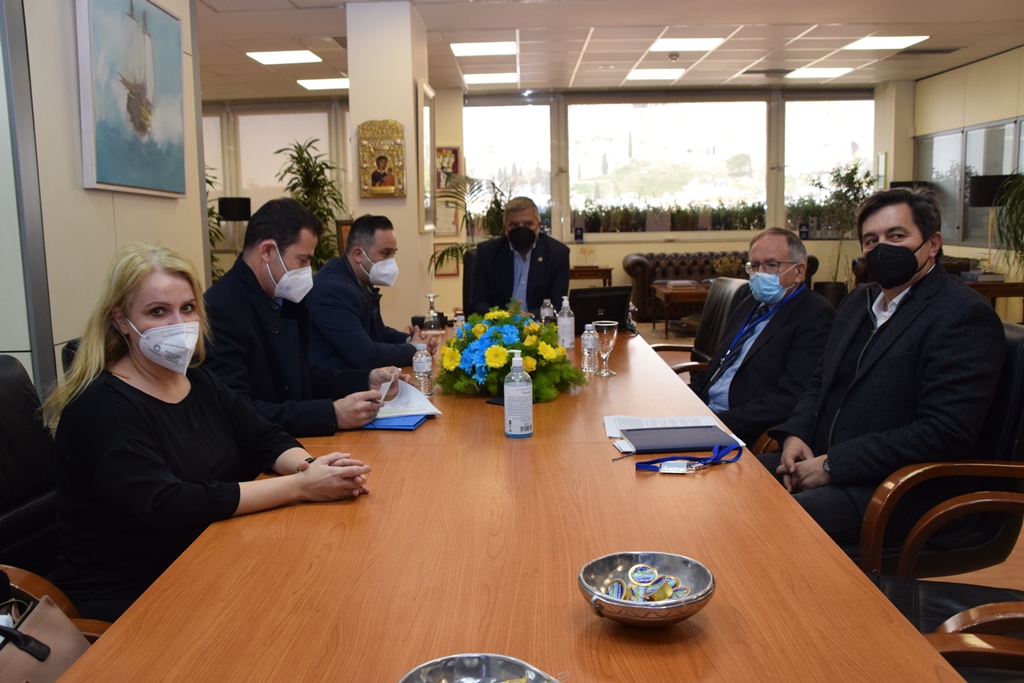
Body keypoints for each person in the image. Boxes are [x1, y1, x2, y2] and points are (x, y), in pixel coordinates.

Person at [43, 243, 371, 621]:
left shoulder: (197, 381)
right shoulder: (98, 407)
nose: (178, 324)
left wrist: (313, 469)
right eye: (157, 311)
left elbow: (265, 438)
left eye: (187, 308)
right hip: (135, 595)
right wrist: (300, 487)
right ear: (121, 320)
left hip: (213, 555)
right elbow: (169, 503)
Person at [758, 187, 1005, 547]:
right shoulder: (859, 302)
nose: (882, 248)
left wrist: (832, 465)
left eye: (897, 236)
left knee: (765, 526)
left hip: (895, 489)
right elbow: (820, 381)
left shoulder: (962, 315)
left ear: (933, 244)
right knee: (734, 482)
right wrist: (796, 435)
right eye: (872, 241)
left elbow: (944, 432)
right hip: (821, 459)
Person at [204, 198, 403, 437]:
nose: (307, 270)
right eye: (302, 260)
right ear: (267, 251)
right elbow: (238, 414)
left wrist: (366, 380)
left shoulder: (283, 296)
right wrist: (332, 414)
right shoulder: (221, 309)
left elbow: (300, 377)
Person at [689, 227, 834, 446]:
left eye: (771, 265)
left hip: (740, 429)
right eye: (754, 265)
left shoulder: (815, 314)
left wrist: (716, 423)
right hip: (703, 411)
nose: (760, 273)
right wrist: (683, 400)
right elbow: (718, 366)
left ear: (799, 271)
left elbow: (790, 400)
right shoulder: (750, 302)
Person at [307, 214, 439, 370]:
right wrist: (414, 349)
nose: (391, 261)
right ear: (358, 254)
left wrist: (411, 340)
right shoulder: (335, 291)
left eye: (393, 253)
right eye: (385, 253)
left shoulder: (358, 279)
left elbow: (377, 333)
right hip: (337, 382)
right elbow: (366, 356)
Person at [469, 196, 570, 317]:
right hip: (499, 325)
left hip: (539, 325)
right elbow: (478, 303)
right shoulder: (487, 253)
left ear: (539, 225)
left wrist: (531, 316)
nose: (521, 230)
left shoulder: (557, 253)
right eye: (514, 225)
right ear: (505, 227)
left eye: (528, 224)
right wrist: (502, 316)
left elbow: (557, 305)